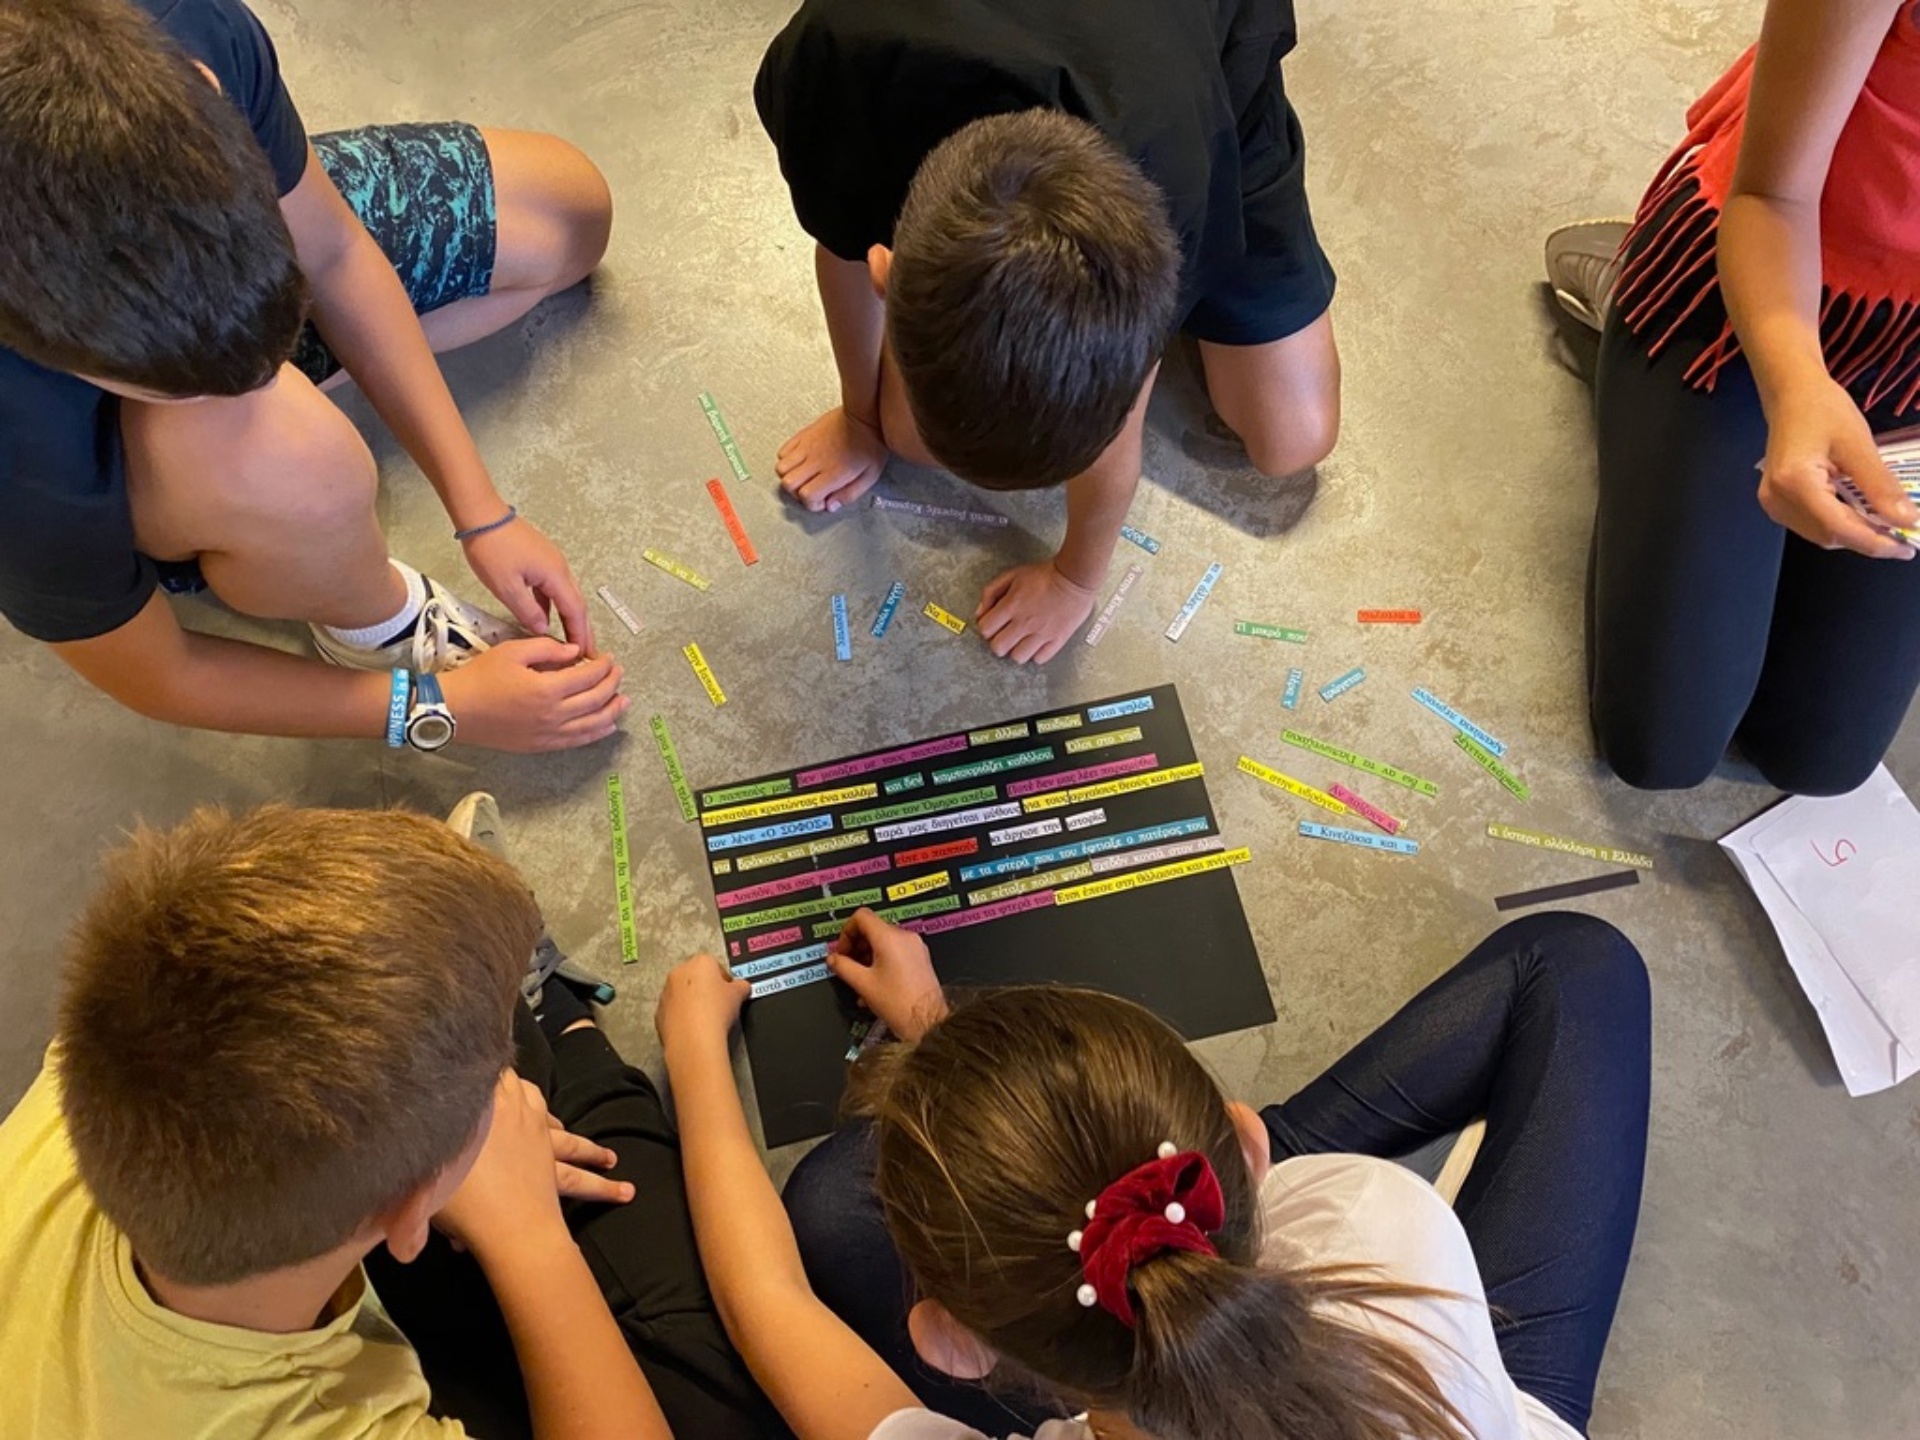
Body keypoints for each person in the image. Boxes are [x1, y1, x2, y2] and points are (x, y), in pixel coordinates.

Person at [657, 907, 1651, 1440]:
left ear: (952, 1346)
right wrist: (953, 1050)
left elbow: (764, 1297)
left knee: (838, 1197)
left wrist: (695, 1050)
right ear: (1248, 1148)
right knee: (1571, 963)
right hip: (1455, 1400)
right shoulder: (1377, 1224)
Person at [0, 798, 786, 1440]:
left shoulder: (102, 1045)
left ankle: (528, 1025)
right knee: (710, 1396)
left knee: (455, 1046)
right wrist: (528, 1240)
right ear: (416, 1214)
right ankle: (560, 1029)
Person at [0, 0, 628, 755]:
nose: (264, 381)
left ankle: (249, 439)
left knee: (565, 216)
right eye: (192, 387)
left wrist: (481, 510)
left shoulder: (179, 25)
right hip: (54, 453)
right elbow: (157, 674)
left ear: (204, 88)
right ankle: (362, 610)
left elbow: (331, 250)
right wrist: (435, 706)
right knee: (297, 460)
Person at [754, 0, 1340, 664]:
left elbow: (1118, 418)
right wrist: (860, 419)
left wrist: (1076, 577)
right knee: (909, 436)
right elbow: (840, 248)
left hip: (1199, 82)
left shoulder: (1169, 174)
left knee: (1294, 440)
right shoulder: (831, 71)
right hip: (1088, 67)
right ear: (886, 265)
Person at [1546, 0, 1920, 794]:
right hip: (1759, 272)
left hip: (1910, 360)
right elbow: (1773, 196)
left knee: (1821, 759)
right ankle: (1632, 306)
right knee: (1662, 746)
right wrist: (1796, 383)